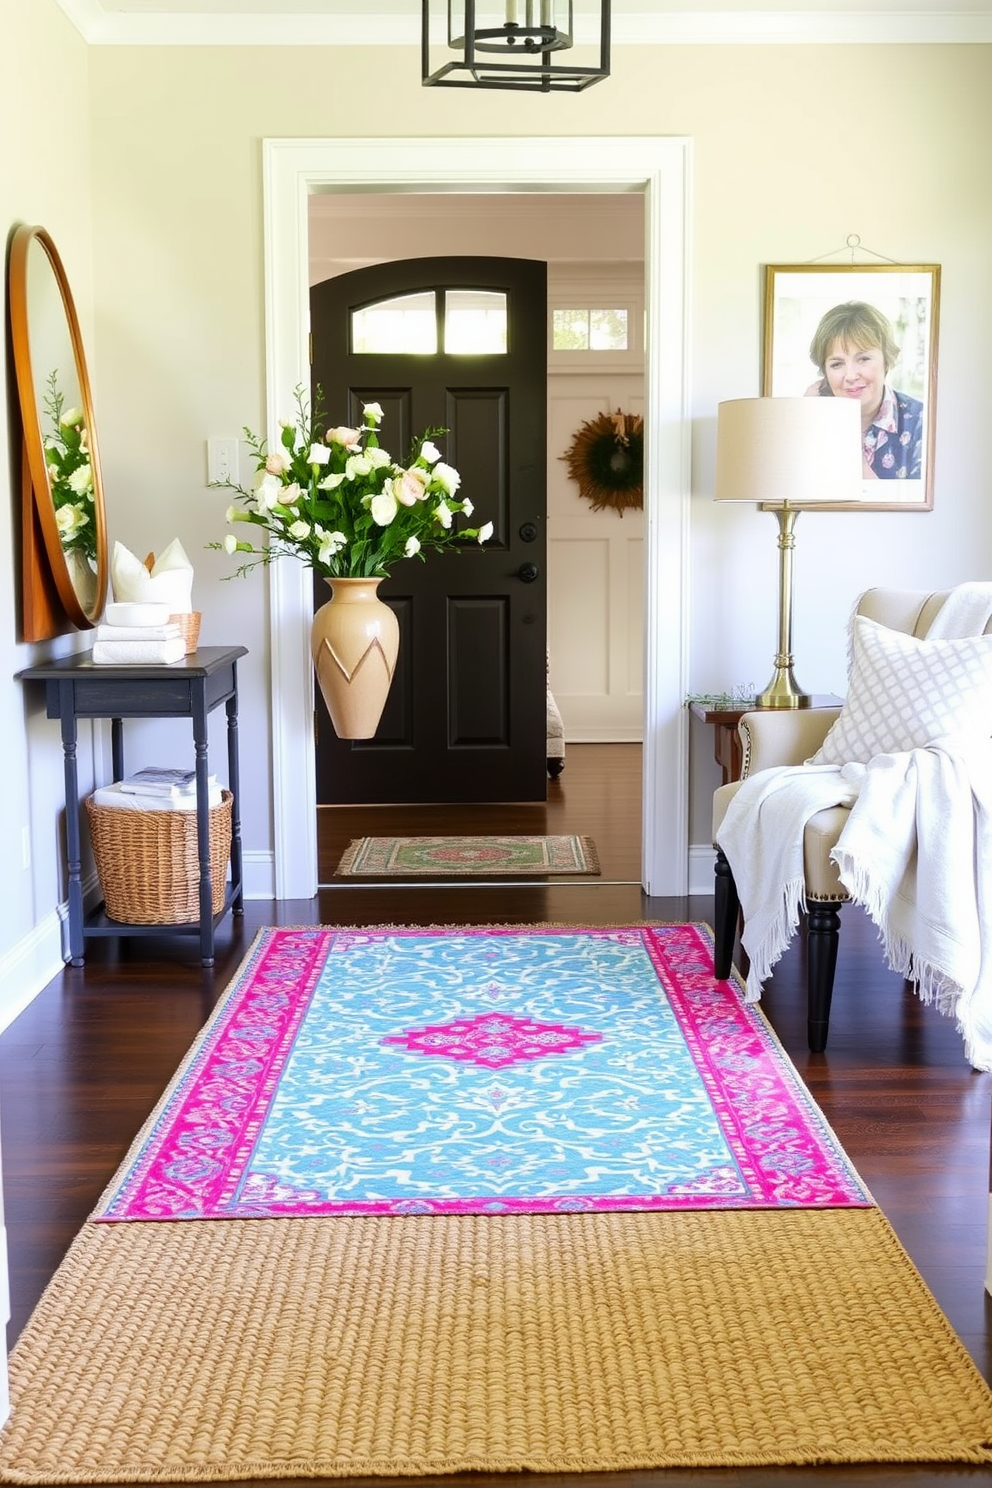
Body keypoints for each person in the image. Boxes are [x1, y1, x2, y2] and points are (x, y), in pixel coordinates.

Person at [805, 300, 924, 481]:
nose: (851, 375)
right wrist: (803, 418)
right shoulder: (808, 423)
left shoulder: (921, 423)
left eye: (863, 359)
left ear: (887, 360)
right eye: (837, 364)